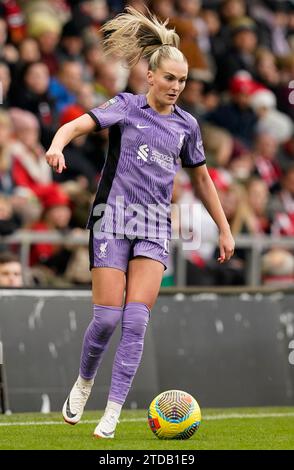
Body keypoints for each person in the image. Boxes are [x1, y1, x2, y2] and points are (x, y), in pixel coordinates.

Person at [45, 6, 235, 439]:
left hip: (153, 225)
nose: (176, 87)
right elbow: (77, 125)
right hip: (111, 219)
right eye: (169, 78)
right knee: (108, 319)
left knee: (135, 320)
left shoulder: (187, 126)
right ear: (150, 76)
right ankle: (85, 381)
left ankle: (112, 413)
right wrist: (57, 145)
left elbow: (202, 178)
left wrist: (224, 228)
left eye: (183, 81)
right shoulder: (126, 107)